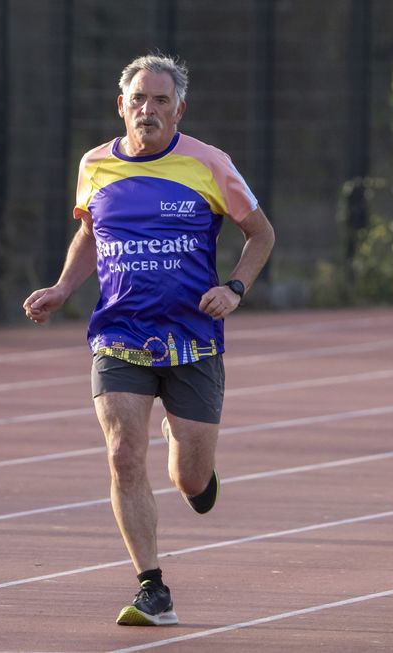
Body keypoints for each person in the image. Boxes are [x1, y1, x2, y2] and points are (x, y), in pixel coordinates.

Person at [22, 53, 274, 626]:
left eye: (161, 100)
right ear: (122, 105)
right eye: (139, 99)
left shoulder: (210, 164)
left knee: (188, 477)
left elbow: (261, 234)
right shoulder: (95, 165)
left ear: (179, 108)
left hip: (192, 340)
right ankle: (152, 587)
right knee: (122, 455)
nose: (149, 110)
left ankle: (195, 468)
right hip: (118, 335)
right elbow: (90, 231)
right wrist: (63, 288)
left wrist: (234, 287)